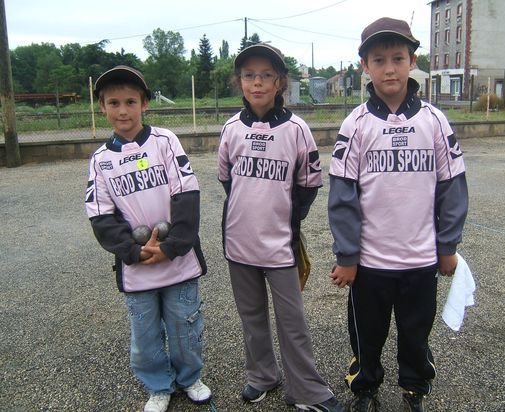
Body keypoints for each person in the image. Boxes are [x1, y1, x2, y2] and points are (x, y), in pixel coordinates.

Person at [328, 18, 468, 412]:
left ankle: (414, 390)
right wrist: (347, 256)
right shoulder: (355, 124)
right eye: (379, 60)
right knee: (366, 336)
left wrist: (448, 245)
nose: (389, 68)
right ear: (364, 66)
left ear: (412, 61)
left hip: (421, 261)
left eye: (397, 58)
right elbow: (342, 196)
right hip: (370, 264)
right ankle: (365, 388)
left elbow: (452, 188)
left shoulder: (435, 121)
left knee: (415, 335)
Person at [217, 43, 344, 412]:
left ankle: (306, 391)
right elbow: (227, 179)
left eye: (265, 76)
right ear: (240, 82)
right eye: (249, 75)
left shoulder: (296, 129)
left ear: (280, 82)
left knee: (293, 321)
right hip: (239, 244)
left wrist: (286, 218)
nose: (257, 83)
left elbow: (309, 184)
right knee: (252, 317)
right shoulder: (230, 129)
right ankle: (261, 375)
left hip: (280, 245)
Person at [85, 65, 211, 412]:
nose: (122, 111)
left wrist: (172, 246)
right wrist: (133, 250)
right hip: (137, 262)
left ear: (144, 104)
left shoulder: (165, 141)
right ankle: (158, 384)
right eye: (113, 103)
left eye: (130, 101)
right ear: (102, 107)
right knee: (144, 335)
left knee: (185, 325)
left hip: (177, 258)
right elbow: (100, 214)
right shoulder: (100, 160)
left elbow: (186, 194)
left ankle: (189, 378)